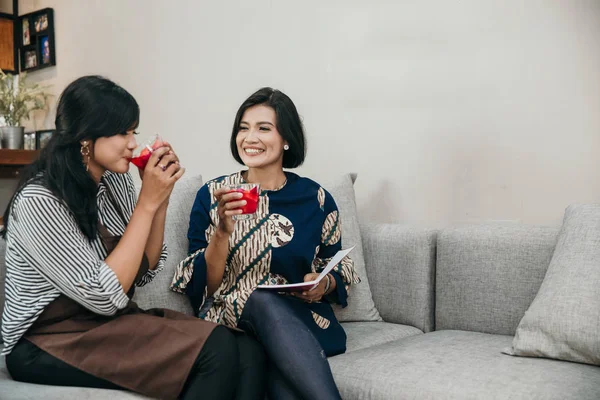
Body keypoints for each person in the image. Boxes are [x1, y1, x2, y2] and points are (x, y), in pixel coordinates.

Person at [1, 76, 266, 400]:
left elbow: (143, 269)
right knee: (217, 350)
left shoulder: (115, 182)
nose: (132, 143)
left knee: (247, 349)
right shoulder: (40, 201)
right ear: (85, 136)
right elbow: (105, 295)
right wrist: (147, 203)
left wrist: (162, 199)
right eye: (121, 132)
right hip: (45, 341)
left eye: (133, 131)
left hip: (105, 323)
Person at [171, 87, 361, 400]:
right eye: (243, 129)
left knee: (282, 379)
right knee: (260, 299)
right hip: (228, 314)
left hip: (296, 320)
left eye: (263, 128)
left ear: (286, 139)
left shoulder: (315, 199)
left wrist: (322, 283)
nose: (250, 138)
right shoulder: (214, 195)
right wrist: (221, 232)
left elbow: (336, 265)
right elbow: (203, 286)